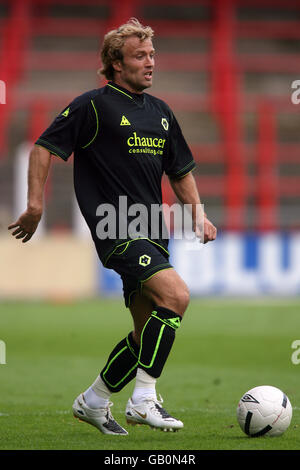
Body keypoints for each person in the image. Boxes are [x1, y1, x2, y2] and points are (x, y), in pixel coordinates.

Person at [8, 18, 217, 435]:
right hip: (115, 226)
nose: (150, 62)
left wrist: (198, 212)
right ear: (116, 64)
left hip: (152, 228)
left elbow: (180, 169)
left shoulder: (160, 113)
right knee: (176, 295)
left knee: (145, 334)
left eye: (152, 54)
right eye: (140, 55)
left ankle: (94, 400)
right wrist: (35, 204)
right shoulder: (93, 106)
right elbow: (44, 148)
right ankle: (143, 401)